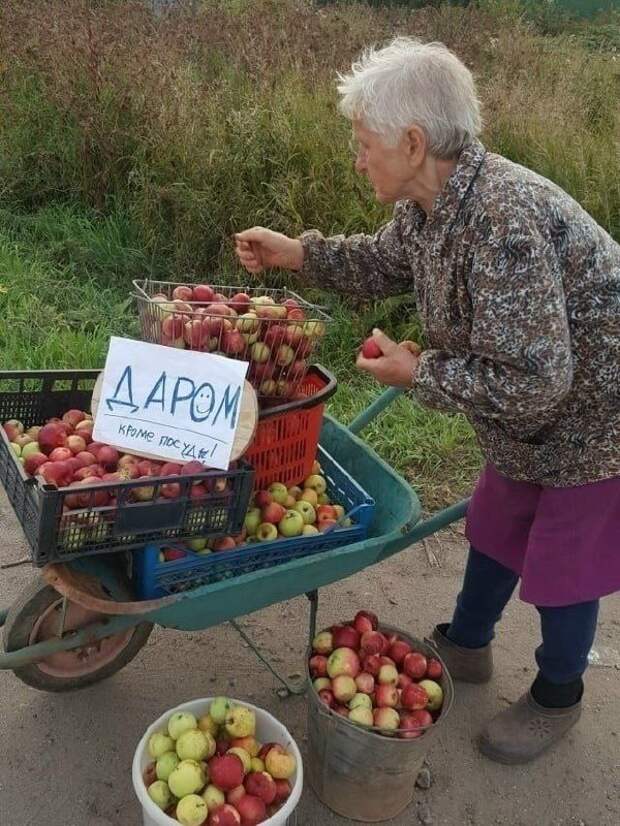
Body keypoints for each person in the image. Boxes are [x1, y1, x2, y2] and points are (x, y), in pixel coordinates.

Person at [235, 37, 620, 764]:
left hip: (598, 413)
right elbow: (385, 258)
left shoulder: (503, 219)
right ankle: (468, 645)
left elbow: (542, 380)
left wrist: (422, 374)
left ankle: (558, 694)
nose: (358, 158)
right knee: (498, 518)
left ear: (412, 143)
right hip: (532, 407)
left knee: (566, 556)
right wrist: (299, 253)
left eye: (364, 142)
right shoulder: (435, 204)